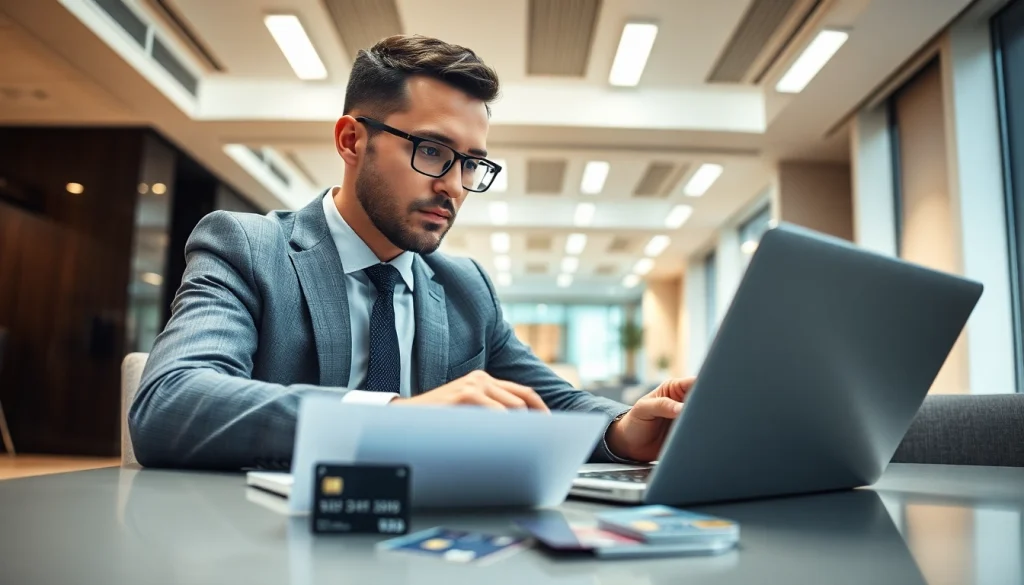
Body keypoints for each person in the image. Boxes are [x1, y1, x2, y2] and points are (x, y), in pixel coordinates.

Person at [129, 34, 694, 470]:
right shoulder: (248, 247)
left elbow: (552, 402)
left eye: (472, 162)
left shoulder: (466, 286)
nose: (453, 185)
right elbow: (171, 402)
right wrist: (395, 418)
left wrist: (626, 427)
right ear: (352, 141)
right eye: (432, 150)